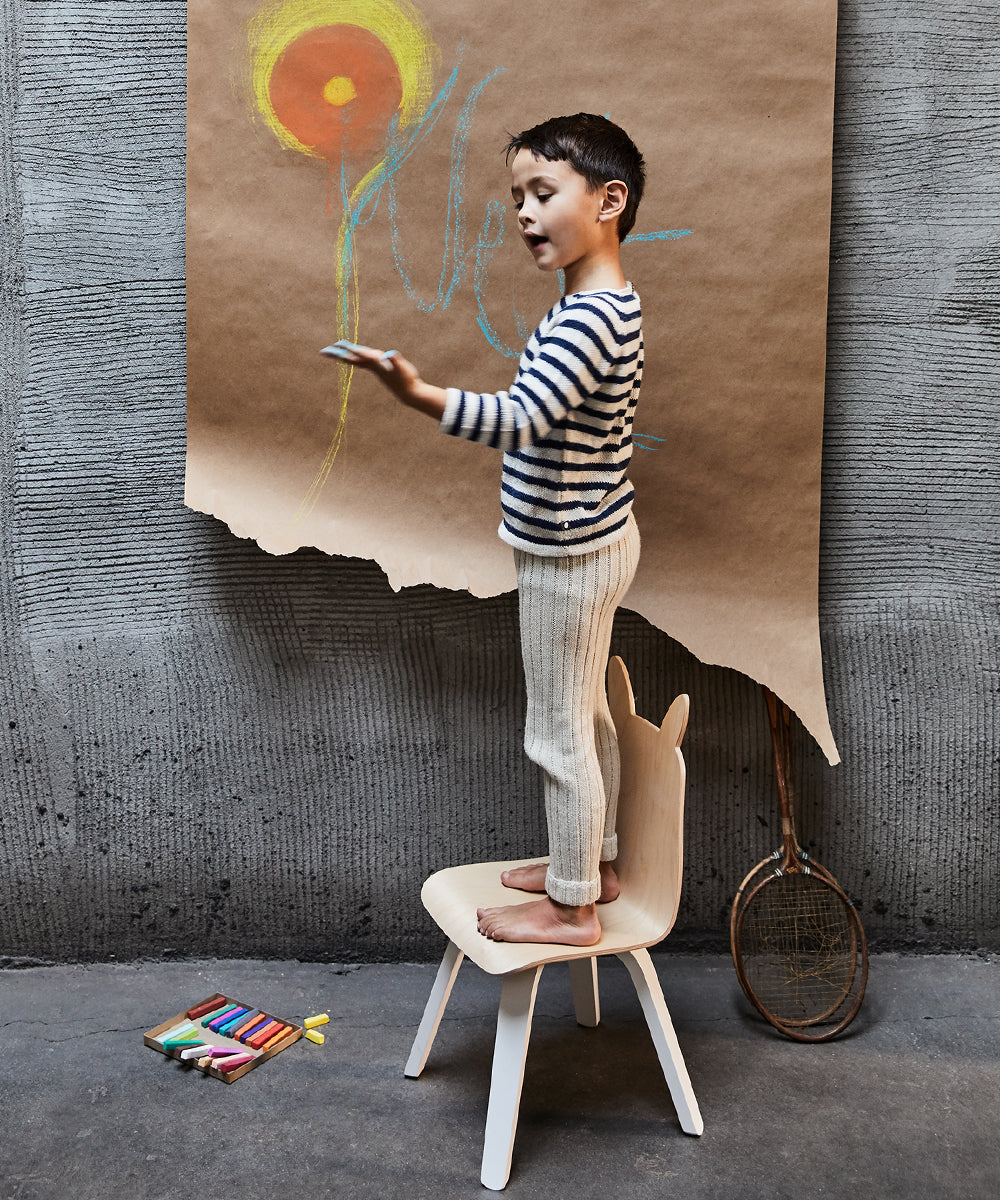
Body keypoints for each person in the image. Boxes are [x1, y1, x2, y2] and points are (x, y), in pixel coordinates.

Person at [324, 113, 646, 946]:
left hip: (571, 557)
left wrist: (418, 393)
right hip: (593, 538)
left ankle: (573, 907)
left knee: (559, 730)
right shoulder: (602, 304)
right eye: (518, 198)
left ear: (609, 200)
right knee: (588, 719)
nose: (526, 214)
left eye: (545, 192)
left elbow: (520, 419)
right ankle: (594, 862)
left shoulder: (588, 320)